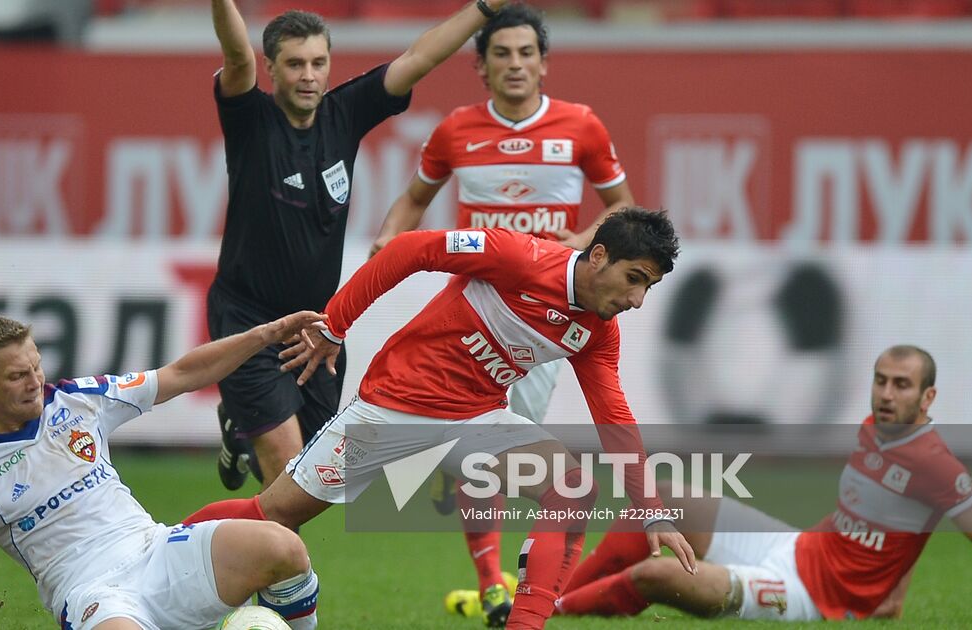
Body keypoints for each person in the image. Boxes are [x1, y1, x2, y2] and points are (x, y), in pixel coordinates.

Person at [182, 208, 698, 630]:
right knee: (275, 515)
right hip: (392, 409)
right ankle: (158, 545)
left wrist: (650, 508)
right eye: (634, 279)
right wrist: (335, 325)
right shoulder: (518, 256)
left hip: (477, 420)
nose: (636, 300)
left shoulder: (597, 331)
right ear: (599, 256)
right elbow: (410, 249)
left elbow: (614, 415)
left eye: (647, 288)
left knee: (571, 487)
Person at [367, 6, 635, 620]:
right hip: (472, 307)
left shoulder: (582, 127)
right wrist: (387, 241)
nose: (515, 64)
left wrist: (583, 240)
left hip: (544, 318)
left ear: (543, 63)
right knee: (482, 440)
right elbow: (413, 201)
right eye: (502, 54)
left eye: (526, 53)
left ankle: (515, 576)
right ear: (481, 68)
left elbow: (624, 209)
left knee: (491, 451)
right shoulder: (455, 130)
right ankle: (495, 582)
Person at [207, 0, 520, 494]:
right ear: (271, 69)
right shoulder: (251, 120)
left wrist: (484, 8)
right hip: (249, 322)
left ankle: (239, 428)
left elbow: (420, 56)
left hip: (316, 325)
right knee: (288, 475)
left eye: (318, 62)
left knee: (318, 480)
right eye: (294, 64)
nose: (308, 75)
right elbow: (237, 55)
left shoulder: (344, 113)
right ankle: (279, 572)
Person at [0, 311, 328, 630]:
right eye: (17, 376)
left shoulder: (80, 400)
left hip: (155, 550)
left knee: (285, 549)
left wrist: (267, 334)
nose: (35, 381)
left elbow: (182, 374)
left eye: (36, 366)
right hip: (93, 593)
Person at [555, 345, 972, 623]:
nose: (886, 394)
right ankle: (553, 596)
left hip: (809, 596)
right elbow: (900, 518)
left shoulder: (937, 464)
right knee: (663, 499)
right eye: (881, 381)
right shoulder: (874, 428)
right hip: (795, 548)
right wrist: (894, 594)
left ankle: (551, 613)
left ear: (928, 397)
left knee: (656, 574)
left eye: (901, 385)